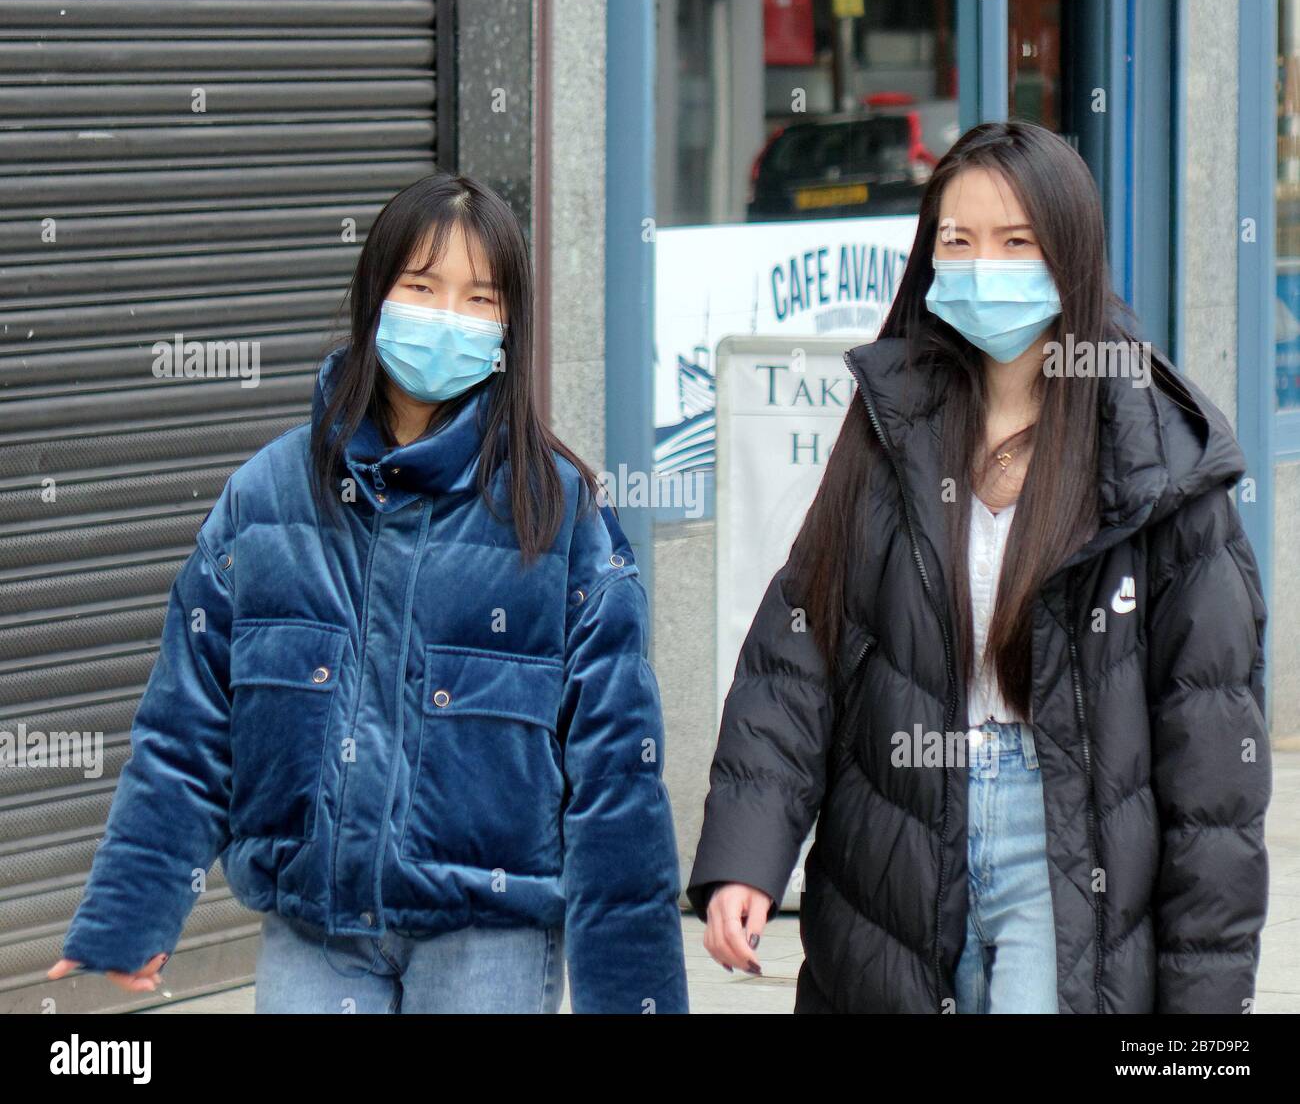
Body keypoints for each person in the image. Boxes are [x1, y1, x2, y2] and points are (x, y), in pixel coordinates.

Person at [49, 173, 689, 1015]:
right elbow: (187, 728)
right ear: (376, 296)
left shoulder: (556, 516)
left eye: (479, 297)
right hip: (315, 932)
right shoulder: (267, 497)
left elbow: (616, 778)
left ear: (507, 330)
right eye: (422, 288)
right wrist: (131, 911)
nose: (446, 316)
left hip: (486, 940)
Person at [687, 120, 1271, 1014]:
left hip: (1070, 850)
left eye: (1014, 241)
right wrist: (746, 859)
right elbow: (796, 650)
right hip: (897, 839)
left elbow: (1212, 771)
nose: (980, 265)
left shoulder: (1156, 454)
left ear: (1069, 253)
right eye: (956, 241)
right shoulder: (892, 423)